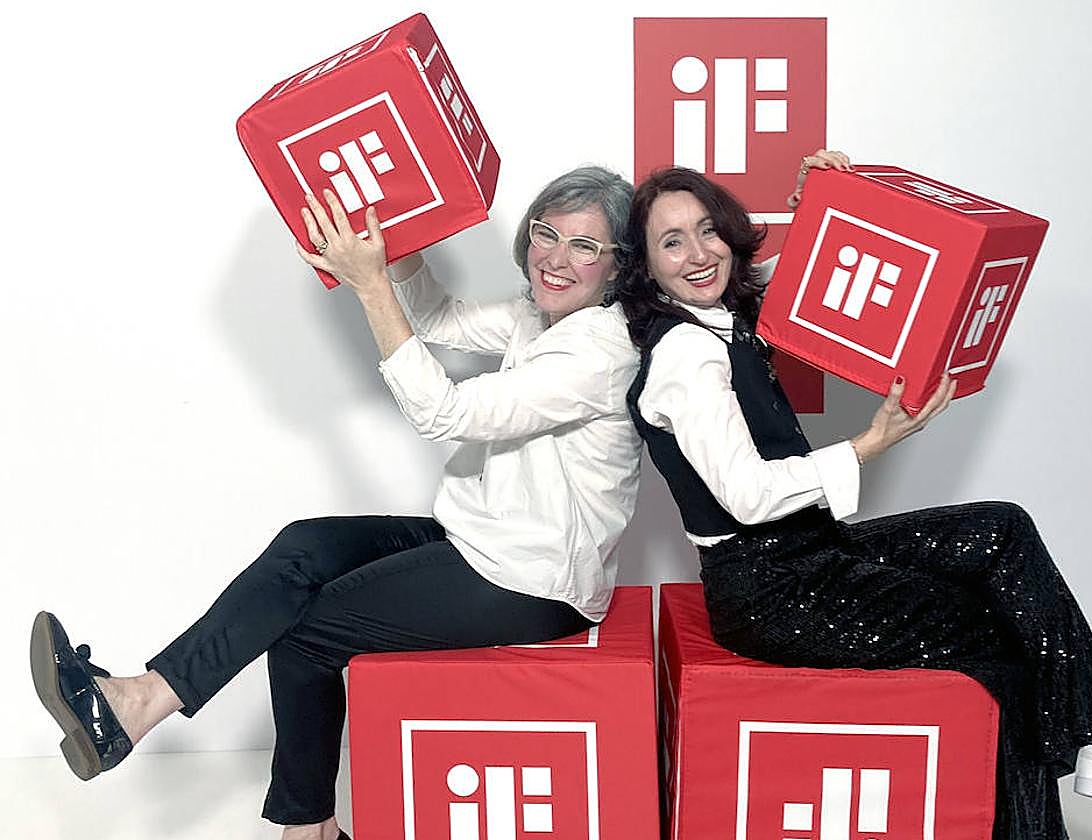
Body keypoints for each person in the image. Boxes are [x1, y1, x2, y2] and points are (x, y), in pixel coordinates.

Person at [30, 166, 642, 840]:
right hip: (481, 539)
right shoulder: (539, 316)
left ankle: (306, 829)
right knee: (305, 546)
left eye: (585, 246)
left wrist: (370, 283)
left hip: (532, 580)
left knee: (306, 635)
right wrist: (394, 238)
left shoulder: (601, 352)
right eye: (547, 234)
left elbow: (444, 413)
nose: (556, 258)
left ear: (618, 265)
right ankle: (137, 701)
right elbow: (438, 317)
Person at [615, 156, 1092, 839]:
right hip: (769, 588)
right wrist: (870, 442)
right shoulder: (686, 355)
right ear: (647, 268)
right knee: (997, 640)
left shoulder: (725, 315)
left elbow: (795, 279)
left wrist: (820, 204)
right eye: (672, 242)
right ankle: (1080, 782)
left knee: (1000, 529)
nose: (697, 253)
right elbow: (746, 496)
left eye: (708, 230)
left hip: (809, 550)